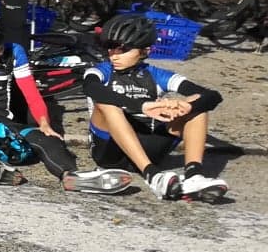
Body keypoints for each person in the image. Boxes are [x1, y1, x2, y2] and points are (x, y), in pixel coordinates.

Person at [0, 9, 126, 190]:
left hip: (4, 119)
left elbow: (31, 92)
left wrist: (44, 123)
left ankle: (70, 176)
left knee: (49, 138)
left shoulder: (15, 51)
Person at [81, 12, 229, 201]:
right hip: (109, 151)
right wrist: (141, 106)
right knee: (106, 103)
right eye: (110, 48)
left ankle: (194, 176)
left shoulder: (156, 74)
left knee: (196, 104)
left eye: (123, 49)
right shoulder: (100, 71)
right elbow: (91, 89)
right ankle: (152, 176)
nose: (114, 56)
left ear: (145, 51)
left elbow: (213, 96)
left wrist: (185, 106)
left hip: (149, 145)